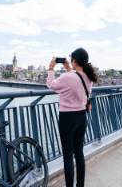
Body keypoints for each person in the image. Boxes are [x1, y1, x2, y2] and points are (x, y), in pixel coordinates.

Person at [46, 48, 98, 187]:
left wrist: (51, 68)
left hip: (67, 118)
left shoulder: (69, 77)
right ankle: (80, 185)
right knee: (79, 153)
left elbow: (51, 85)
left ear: (74, 60)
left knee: (68, 156)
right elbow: (76, 81)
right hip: (82, 117)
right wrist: (69, 68)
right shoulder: (88, 77)